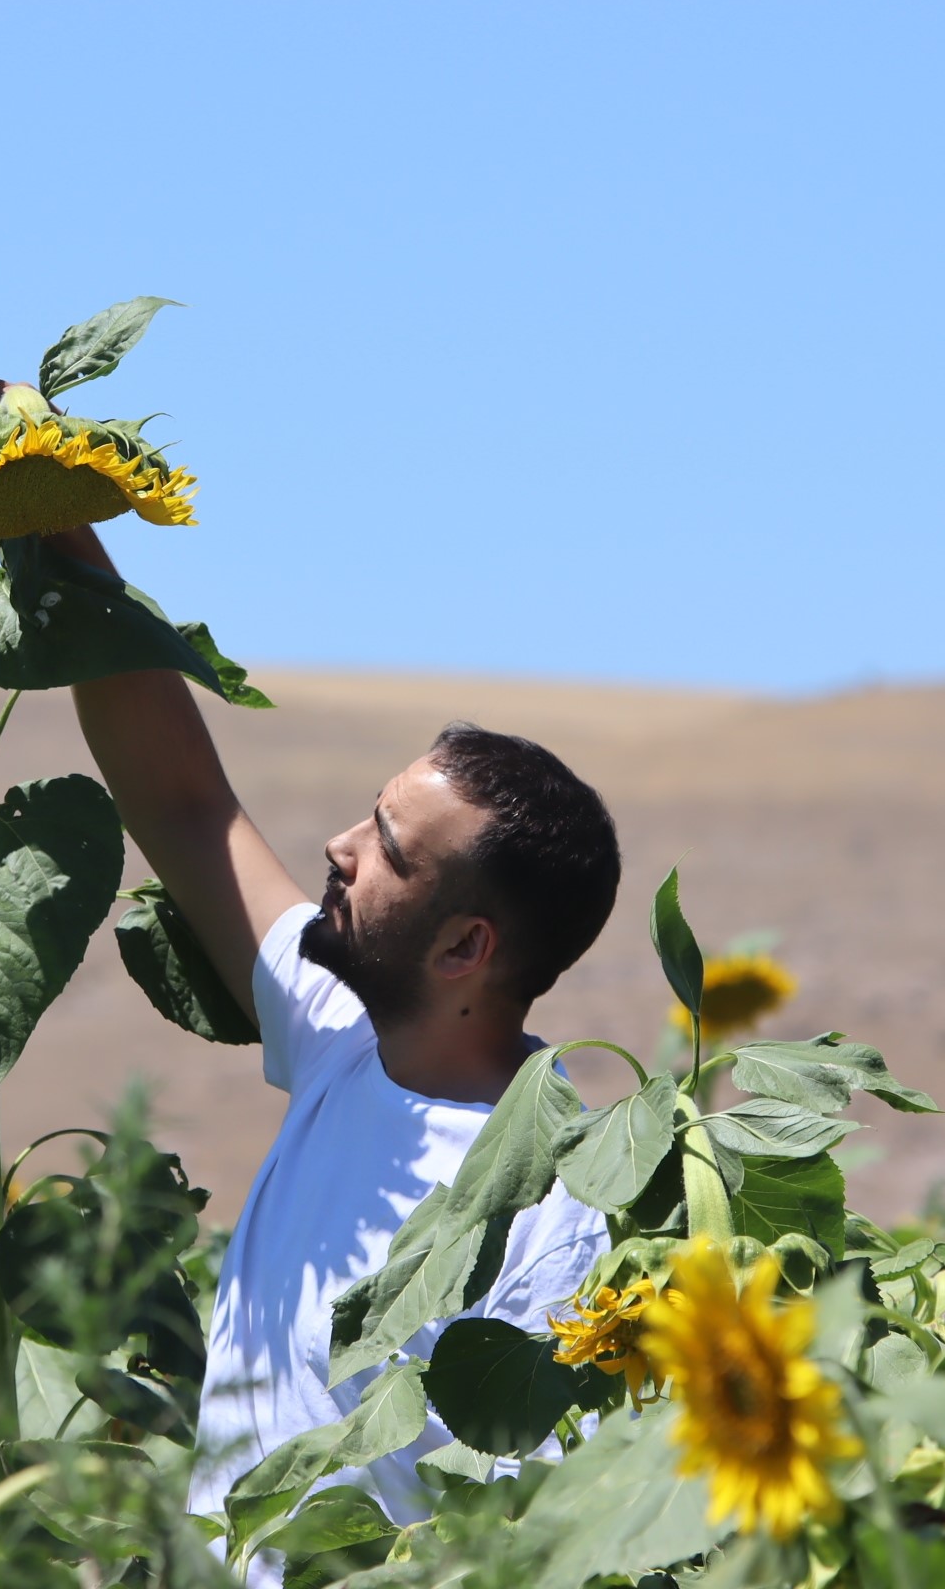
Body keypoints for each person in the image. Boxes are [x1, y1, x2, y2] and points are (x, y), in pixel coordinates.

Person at [50, 527, 624, 1565]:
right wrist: (57, 532)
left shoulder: (555, 1211)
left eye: (390, 851)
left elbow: (525, 1538)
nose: (340, 849)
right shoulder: (345, 1037)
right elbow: (185, 806)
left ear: (463, 946)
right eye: (370, 818)